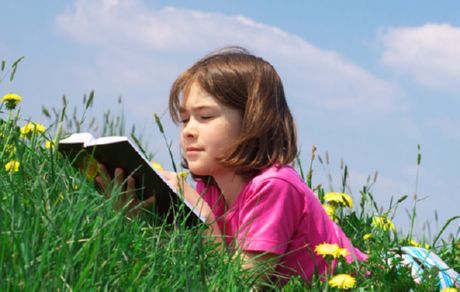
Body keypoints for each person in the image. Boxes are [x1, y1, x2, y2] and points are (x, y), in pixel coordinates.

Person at [96, 46, 367, 286]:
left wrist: (203, 219)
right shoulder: (211, 185)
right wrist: (137, 218)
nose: (188, 131)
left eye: (204, 116)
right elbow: (191, 269)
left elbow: (237, 284)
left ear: (254, 120)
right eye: (185, 119)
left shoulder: (273, 186)